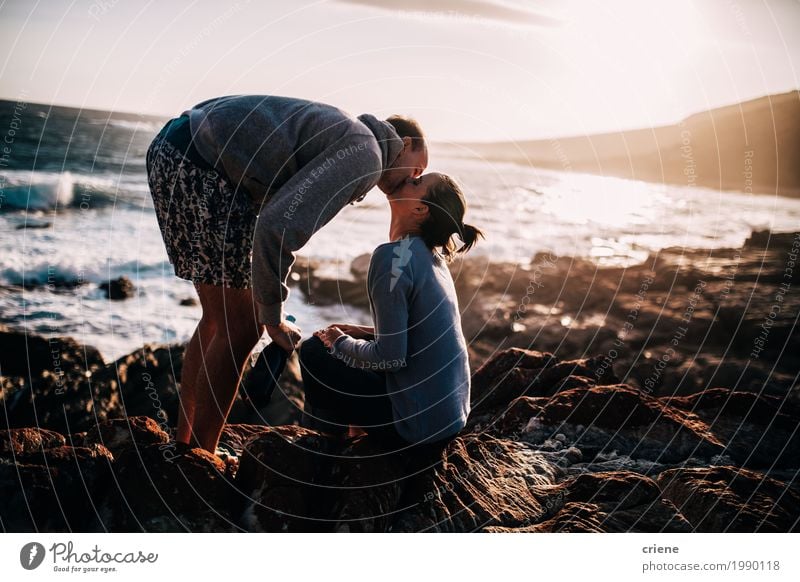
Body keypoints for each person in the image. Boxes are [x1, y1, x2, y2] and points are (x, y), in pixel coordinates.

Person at [145, 95, 429, 453]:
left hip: (179, 148)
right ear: (403, 145)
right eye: (418, 168)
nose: (415, 179)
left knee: (219, 320)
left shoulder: (349, 136)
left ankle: (186, 443)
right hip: (199, 165)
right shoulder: (367, 154)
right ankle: (202, 455)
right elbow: (277, 228)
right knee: (244, 326)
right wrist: (273, 315)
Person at [299, 172, 484, 454]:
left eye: (417, 182)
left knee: (313, 350)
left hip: (416, 431)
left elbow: (391, 358)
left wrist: (338, 342)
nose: (409, 178)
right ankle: (346, 441)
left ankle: (321, 451)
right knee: (343, 350)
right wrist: (361, 333)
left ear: (420, 209)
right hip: (448, 420)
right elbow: (418, 334)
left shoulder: (393, 258)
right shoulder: (430, 256)